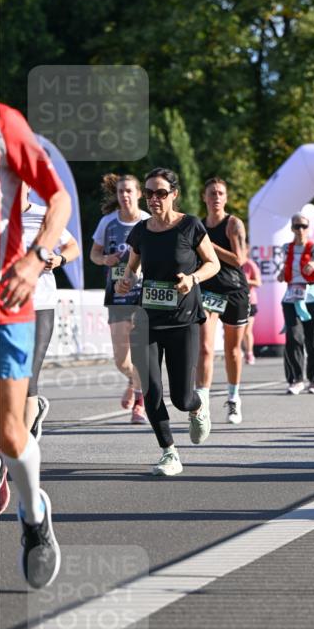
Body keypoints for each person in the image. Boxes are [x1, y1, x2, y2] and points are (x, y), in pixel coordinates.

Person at [0, 101, 71, 586]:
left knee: (6, 432)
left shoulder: (6, 124)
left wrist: (36, 256)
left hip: (8, 296)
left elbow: (58, 198)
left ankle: (33, 514)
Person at [115, 168, 219, 475]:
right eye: (149, 193)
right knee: (150, 388)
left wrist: (192, 278)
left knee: (181, 397)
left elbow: (212, 263)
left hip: (183, 318)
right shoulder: (141, 231)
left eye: (161, 193)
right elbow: (131, 269)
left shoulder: (190, 226)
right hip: (148, 319)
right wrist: (125, 281)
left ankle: (197, 406)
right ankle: (169, 452)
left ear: (174, 194)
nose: (154, 199)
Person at [21, 184, 80, 439]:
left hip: (40, 304)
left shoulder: (43, 215)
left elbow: (73, 246)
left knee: (27, 376)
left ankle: (17, 450)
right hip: (6, 308)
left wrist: (60, 260)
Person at [90, 174, 149, 423]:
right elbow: (94, 254)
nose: (124, 195)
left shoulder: (148, 221)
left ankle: (140, 403)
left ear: (138, 194)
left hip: (142, 294)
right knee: (121, 359)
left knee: (140, 352)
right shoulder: (108, 223)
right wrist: (105, 259)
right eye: (120, 191)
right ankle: (131, 379)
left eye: (129, 191)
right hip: (116, 295)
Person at [196, 178, 250, 424]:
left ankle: (234, 398)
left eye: (220, 193)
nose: (216, 197)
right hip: (208, 292)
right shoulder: (197, 225)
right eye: (212, 193)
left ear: (226, 198)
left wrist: (209, 245)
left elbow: (240, 259)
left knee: (232, 351)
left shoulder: (234, 224)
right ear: (204, 197)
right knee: (205, 348)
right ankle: (202, 404)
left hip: (234, 291)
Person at [277, 214, 314, 395]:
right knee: (294, 338)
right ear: (292, 229)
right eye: (296, 226)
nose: (300, 230)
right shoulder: (286, 248)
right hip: (292, 297)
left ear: (308, 229)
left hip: (312, 297)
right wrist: (281, 274)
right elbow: (284, 269)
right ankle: (296, 379)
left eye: (303, 226)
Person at [241, 251, 262, 365]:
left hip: (250, 301)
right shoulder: (232, 262)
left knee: (247, 330)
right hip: (235, 301)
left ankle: (249, 353)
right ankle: (239, 351)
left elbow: (258, 283)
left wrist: (245, 281)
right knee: (237, 329)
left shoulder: (250, 264)